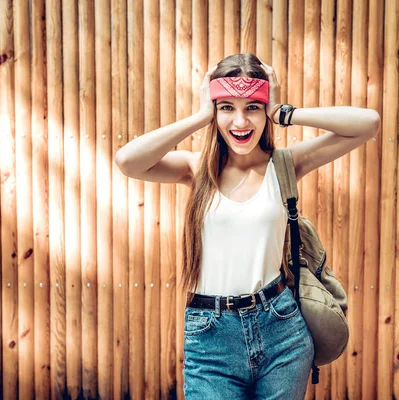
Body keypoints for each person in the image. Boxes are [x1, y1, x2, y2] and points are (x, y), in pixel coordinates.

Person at [115, 53, 380, 399]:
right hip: (211, 337)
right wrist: (200, 117)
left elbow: (368, 122)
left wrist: (283, 111)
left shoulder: (285, 164)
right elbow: (127, 161)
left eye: (253, 107)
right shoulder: (195, 169)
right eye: (226, 107)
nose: (240, 121)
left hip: (280, 329)